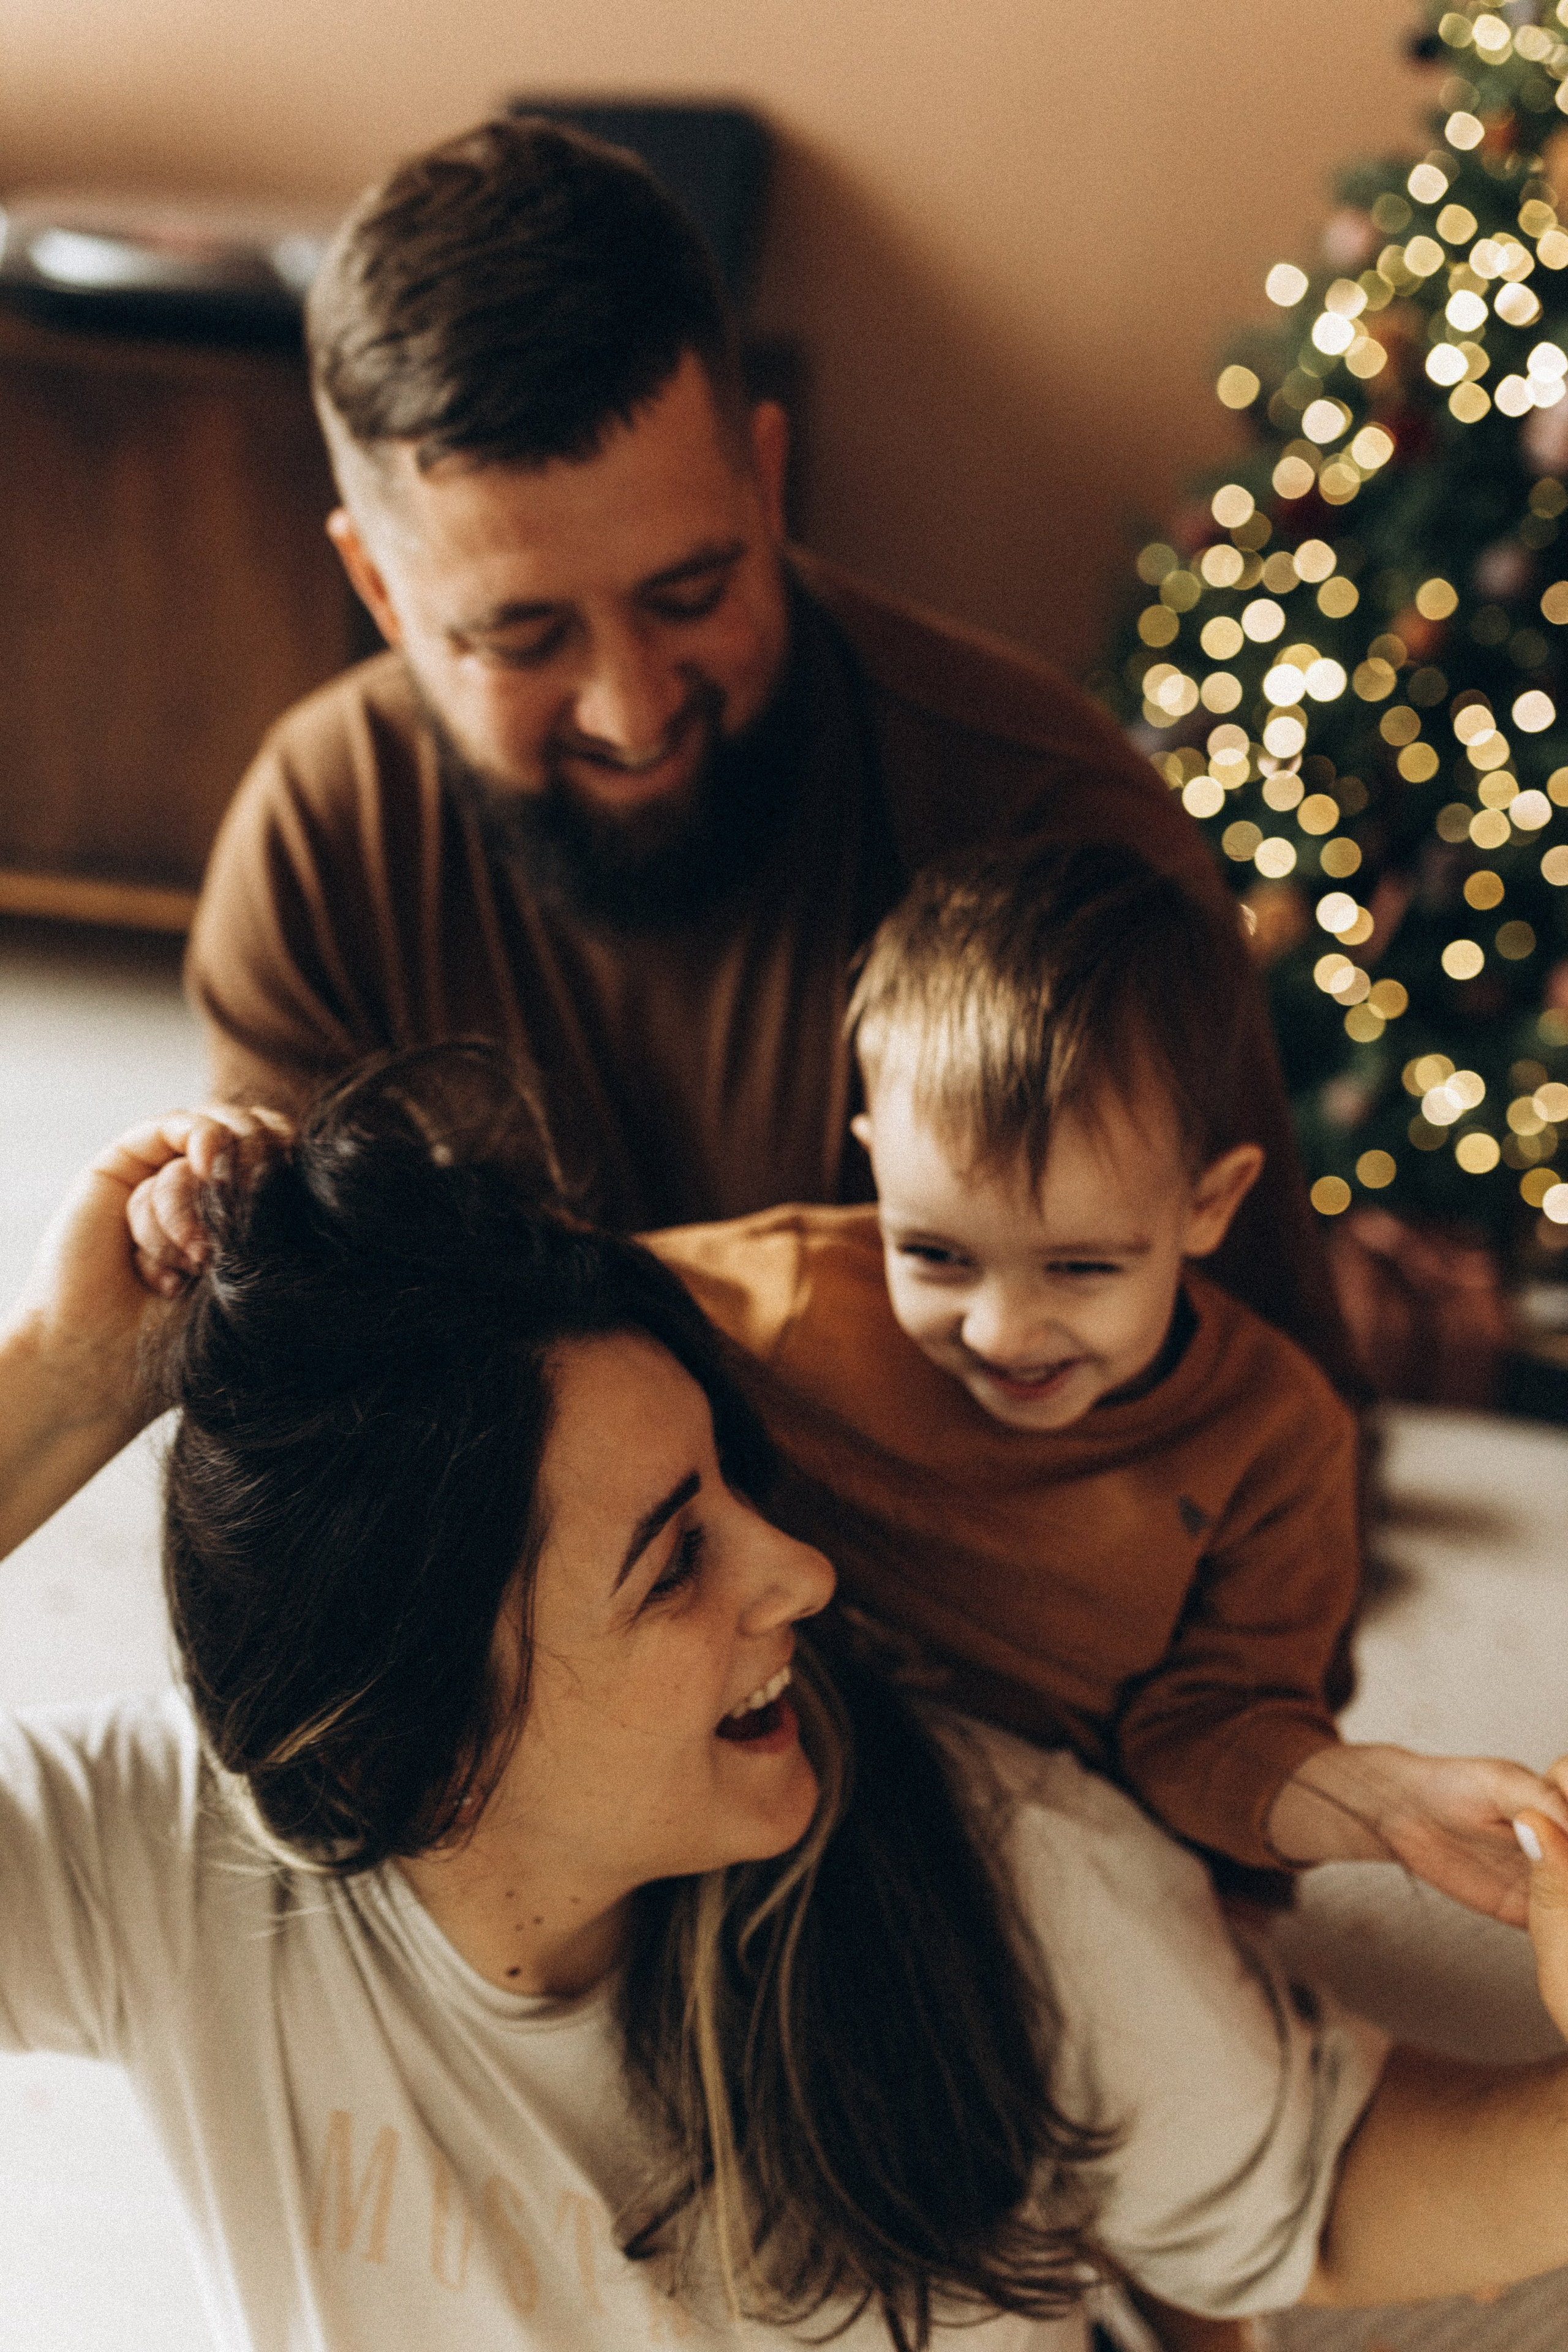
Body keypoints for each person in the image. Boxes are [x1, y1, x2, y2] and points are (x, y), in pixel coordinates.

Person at [12, 1051, 1568, 2352]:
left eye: (726, 1489)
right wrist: (65, 1381)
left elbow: (1331, 2197)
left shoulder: (1004, 1856)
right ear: (402, 1760)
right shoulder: (166, 1855)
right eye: (674, 1561)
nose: (803, 1579)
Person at [183, 111, 1351, 1388]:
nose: (631, 713)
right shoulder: (320, 838)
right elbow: (287, 1409)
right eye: (520, 637)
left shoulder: (1056, 823)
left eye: (689, 594)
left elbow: (1273, 1433)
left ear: (766, 477)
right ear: (381, 590)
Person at [648, 843, 1562, 1917]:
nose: (1001, 1330)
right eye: (936, 1254)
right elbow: (538, 1295)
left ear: (1207, 1207)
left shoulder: (1276, 1437)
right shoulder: (788, 1293)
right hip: (801, 1786)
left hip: (1081, 1844)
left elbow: (1219, 1732)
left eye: (1082, 1268)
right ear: (876, 1165)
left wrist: (1381, 1801)